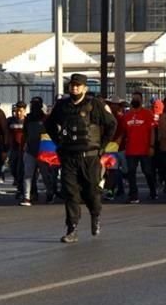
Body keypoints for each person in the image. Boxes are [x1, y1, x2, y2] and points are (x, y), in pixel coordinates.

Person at [45, 74, 117, 244]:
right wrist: (58, 143)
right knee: (70, 192)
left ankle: (95, 215)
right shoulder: (62, 106)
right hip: (69, 156)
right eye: (72, 85)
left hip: (90, 157)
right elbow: (49, 124)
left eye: (78, 85)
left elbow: (111, 124)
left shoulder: (95, 105)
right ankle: (72, 228)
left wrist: (102, 147)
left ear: (85, 88)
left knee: (91, 191)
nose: (74, 88)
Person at [119, 91, 157, 204]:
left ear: (141, 100)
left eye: (137, 98)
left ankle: (153, 191)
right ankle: (133, 195)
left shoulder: (147, 113)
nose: (135, 100)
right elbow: (123, 132)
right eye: (133, 98)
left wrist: (151, 146)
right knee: (131, 172)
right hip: (131, 149)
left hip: (145, 149)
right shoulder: (127, 116)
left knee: (147, 171)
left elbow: (152, 131)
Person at [22, 97, 56, 205]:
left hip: (43, 152)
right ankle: (27, 197)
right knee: (28, 175)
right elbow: (25, 133)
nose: (34, 107)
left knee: (45, 174)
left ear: (41, 106)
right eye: (32, 105)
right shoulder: (28, 119)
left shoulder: (46, 119)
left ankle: (50, 193)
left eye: (36, 105)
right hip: (30, 149)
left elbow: (52, 134)